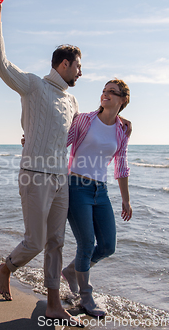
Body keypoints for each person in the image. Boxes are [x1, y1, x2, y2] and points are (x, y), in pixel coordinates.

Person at [0, 0, 82, 322]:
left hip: (60, 179)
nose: (80, 74)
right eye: (78, 67)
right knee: (37, 241)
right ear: (64, 64)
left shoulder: (72, 102)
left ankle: (54, 305)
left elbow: (68, 138)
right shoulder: (34, 86)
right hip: (34, 175)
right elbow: (0, 64)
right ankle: (6, 266)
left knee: (57, 243)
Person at [62, 79, 132, 318]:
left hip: (100, 191)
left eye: (112, 92)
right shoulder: (84, 120)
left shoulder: (121, 130)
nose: (106, 95)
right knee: (85, 244)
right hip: (77, 186)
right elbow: (61, 140)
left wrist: (126, 200)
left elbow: (121, 166)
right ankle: (86, 297)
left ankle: (71, 271)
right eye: (104, 91)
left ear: (123, 100)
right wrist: (32, 143)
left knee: (107, 246)